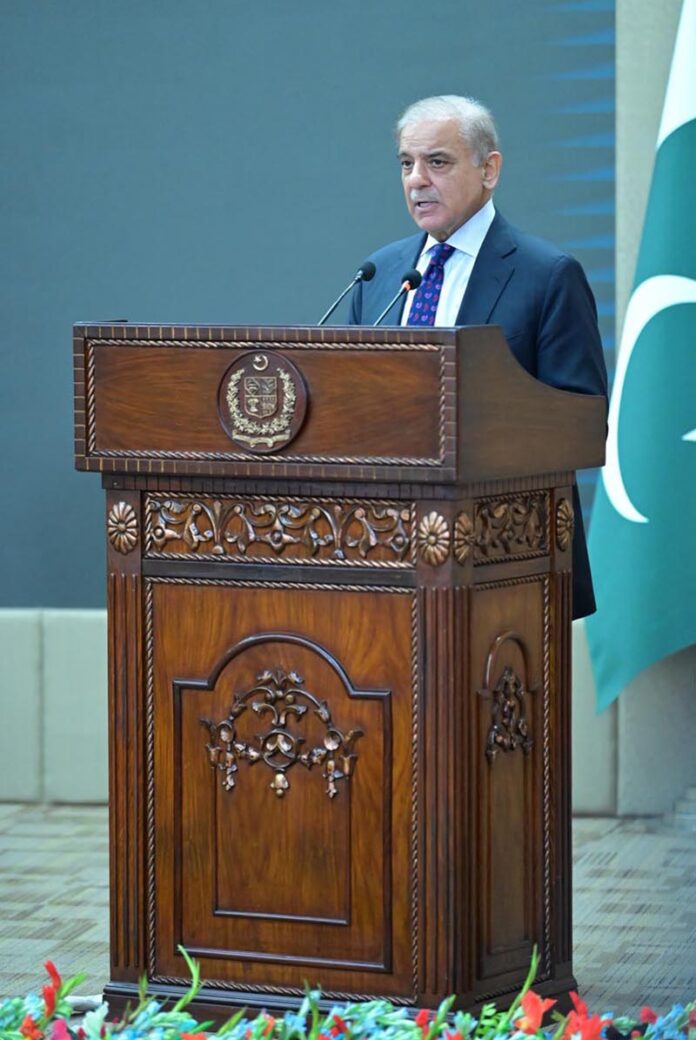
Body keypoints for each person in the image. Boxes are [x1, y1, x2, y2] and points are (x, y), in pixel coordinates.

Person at [348, 94, 608, 620]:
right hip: (380, 557)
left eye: (436, 162)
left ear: (489, 170)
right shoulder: (379, 274)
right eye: (406, 164)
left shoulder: (547, 275)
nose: (417, 179)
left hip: (506, 560)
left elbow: (580, 421)